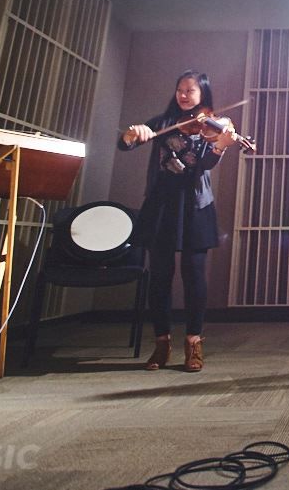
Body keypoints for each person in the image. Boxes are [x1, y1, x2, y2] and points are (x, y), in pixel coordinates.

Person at [118, 71, 237, 373]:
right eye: (180, 90)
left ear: (202, 95)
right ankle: (161, 343)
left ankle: (194, 343)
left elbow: (207, 164)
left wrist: (221, 144)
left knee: (194, 276)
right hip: (161, 205)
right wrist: (132, 134)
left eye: (191, 90)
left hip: (195, 206)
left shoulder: (211, 125)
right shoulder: (160, 123)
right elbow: (126, 144)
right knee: (159, 276)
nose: (184, 95)